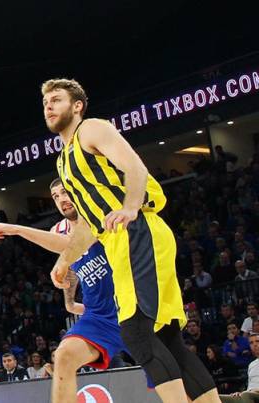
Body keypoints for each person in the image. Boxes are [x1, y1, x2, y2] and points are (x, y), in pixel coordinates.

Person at [44, 79, 222, 403]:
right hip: (118, 242)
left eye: (57, 99)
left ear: (77, 105)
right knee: (165, 337)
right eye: (45, 101)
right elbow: (88, 223)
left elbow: (135, 168)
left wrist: (129, 207)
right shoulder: (63, 160)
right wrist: (66, 258)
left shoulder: (91, 130)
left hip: (138, 231)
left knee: (136, 333)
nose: (49, 106)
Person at [0, 179, 126, 401]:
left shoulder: (97, 212)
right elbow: (71, 264)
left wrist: (14, 229)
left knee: (169, 372)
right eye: (55, 196)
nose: (61, 199)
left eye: (65, 192)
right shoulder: (58, 229)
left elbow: (71, 245)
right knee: (63, 355)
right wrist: (69, 301)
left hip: (131, 305)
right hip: (99, 315)